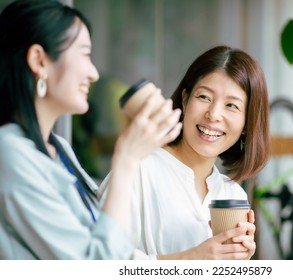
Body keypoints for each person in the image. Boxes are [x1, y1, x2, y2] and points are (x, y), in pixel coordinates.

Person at [0, 0, 182, 259]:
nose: (94, 73)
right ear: (39, 60)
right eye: (85, 54)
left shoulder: (59, 149)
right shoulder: (10, 155)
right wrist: (126, 160)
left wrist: (200, 259)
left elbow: (113, 247)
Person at [101, 45, 270, 259]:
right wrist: (193, 258)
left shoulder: (232, 195)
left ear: (247, 124)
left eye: (231, 106)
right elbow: (100, 262)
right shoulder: (137, 170)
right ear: (185, 99)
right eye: (204, 97)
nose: (214, 114)